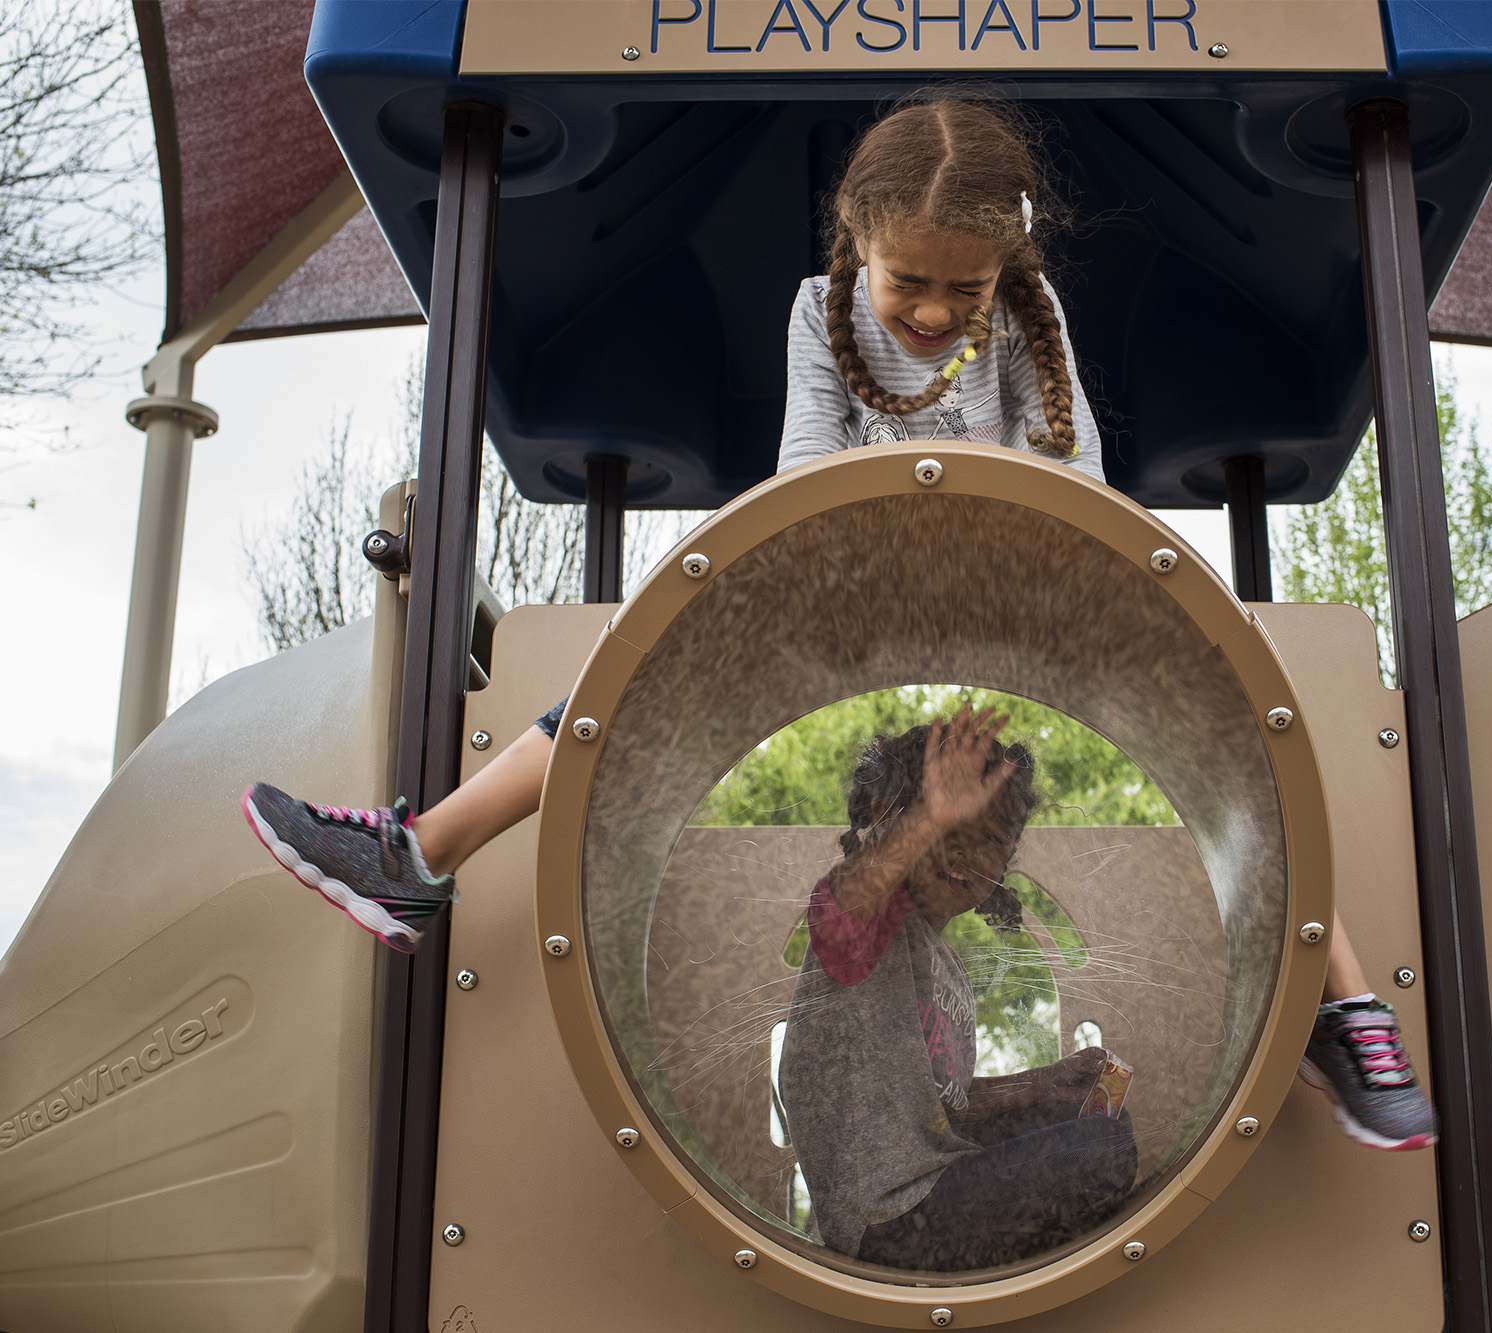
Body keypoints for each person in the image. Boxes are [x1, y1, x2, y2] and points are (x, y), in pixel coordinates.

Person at [239, 97, 1432, 1154]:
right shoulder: (820, 312)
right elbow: (802, 477)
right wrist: (880, 536)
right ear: (856, 235)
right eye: (907, 278)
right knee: (635, 674)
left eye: (962, 289)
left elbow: (1072, 483)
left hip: (1024, 592)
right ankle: (418, 854)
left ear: (1002, 268)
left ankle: (1340, 1007)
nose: (931, 309)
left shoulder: (1026, 312)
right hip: (856, 593)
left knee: (1236, 712)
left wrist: (958, 502)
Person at [781, 706, 1136, 1270]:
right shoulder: (873, 925)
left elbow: (942, 1105)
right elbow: (840, 908)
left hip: (935, 1196)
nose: (963, 852)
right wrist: (927, 814)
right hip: (888, 1220)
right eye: (948, 828)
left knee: (1090, 1120)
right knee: (1103, 1150)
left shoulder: (948, 969)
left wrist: (1043, 1084)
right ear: (894, 822)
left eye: (989, 838)